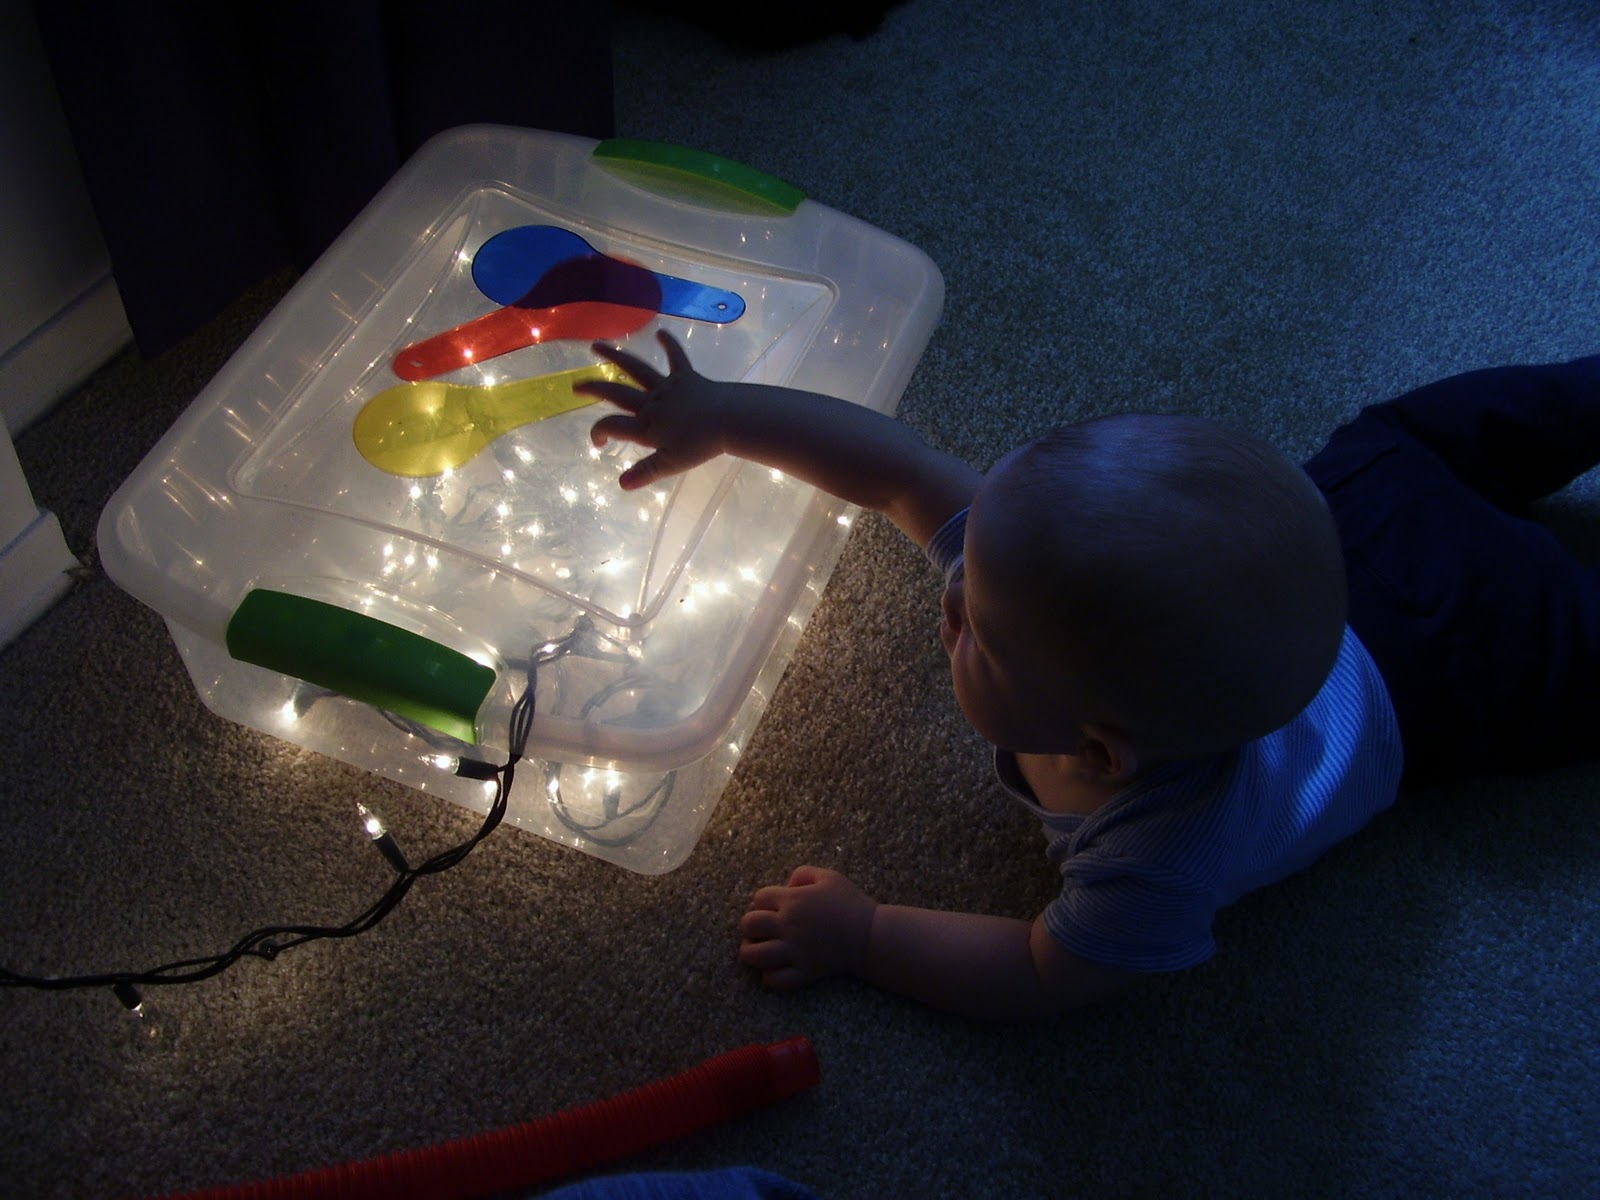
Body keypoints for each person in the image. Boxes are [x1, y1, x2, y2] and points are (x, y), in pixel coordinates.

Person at [577, 334, 1600, 1022]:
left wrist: (865, 935)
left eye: (974, 631)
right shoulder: (1038, 578)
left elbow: (1044, 970)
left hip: (1465, 657)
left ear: (1099, 750)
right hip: (1370, 500)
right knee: (1492, 419)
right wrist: (720, 416)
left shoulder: (1158, 854)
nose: (950, 594)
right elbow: (898, 469)